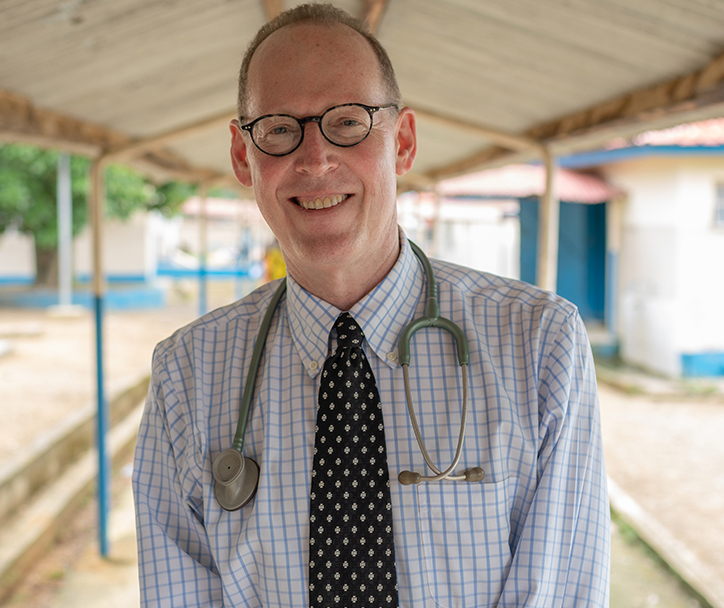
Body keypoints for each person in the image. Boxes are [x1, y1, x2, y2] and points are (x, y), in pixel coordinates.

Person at [133, 4, 610, 606]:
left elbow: (562, 592)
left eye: (349, 122)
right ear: (241, 155)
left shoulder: (539, 344)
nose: (314, 159)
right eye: (279, 128)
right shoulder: (188, 375)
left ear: (403, 141)